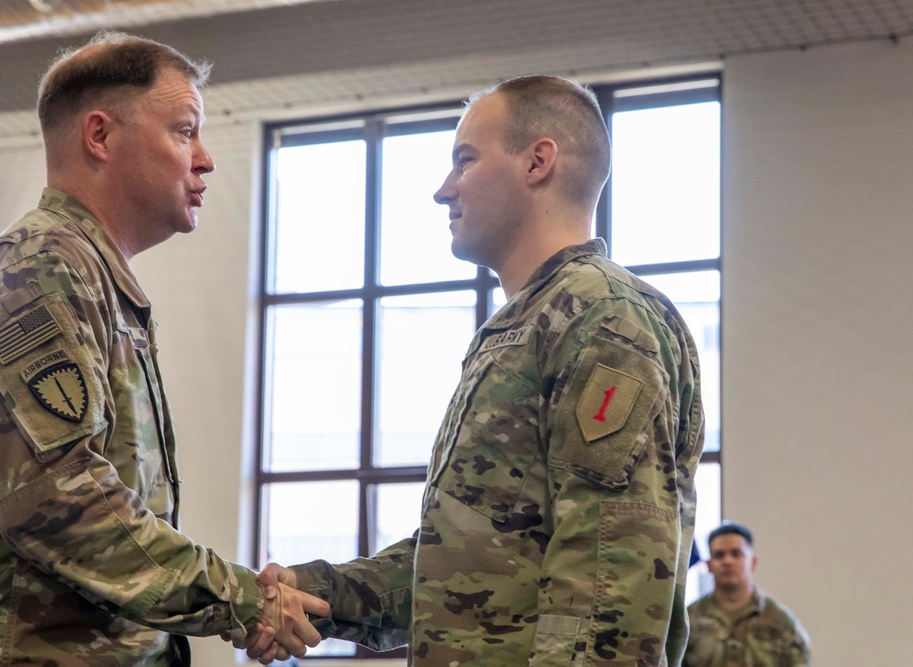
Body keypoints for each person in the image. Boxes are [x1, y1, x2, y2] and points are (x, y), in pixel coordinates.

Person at [250, 74, 705, 665]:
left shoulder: (603, 319)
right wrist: (315, 592)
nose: (444, 190)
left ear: (538, 162)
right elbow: (467, 569)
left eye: (464, 160)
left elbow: (607, 587)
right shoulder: (527, 326)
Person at [0, 31, 328, 665]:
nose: (205, 159)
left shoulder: (91, 278)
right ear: (100, 136)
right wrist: (243, 599)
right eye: (185, 131)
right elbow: (59, 500)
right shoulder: (39, 273)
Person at [684, 523, 813, 666]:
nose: (727, 561)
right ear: (709, 565)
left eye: (736, 554)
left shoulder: (780, 622)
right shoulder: (688, 620)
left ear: (752, 562)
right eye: (719, 555)